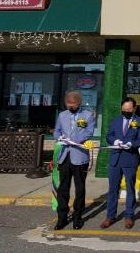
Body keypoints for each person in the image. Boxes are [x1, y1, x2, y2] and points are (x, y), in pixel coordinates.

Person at [100, 97, 140, 229]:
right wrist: (114, 141)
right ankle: (110, 216)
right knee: (112, 189)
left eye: (129, 109)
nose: (126, 111)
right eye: (124, 109)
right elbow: (109, 135)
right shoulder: (116, 121)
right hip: (115, 159)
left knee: (130, 189)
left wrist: (131, 144)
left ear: (134, 108)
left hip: (130, 158)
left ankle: (129, 216)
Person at [53, 90, 96, 230]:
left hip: (80, 157)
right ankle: (62, 217)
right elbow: (56, 131)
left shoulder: (88, 115)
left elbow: (89, 132)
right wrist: (60, 138)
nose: (70, 106)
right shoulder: (62, 115)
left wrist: (73, 140)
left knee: (80, 188)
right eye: (68, 104)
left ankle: (78, 217)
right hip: (65, 156)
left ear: (79, 103)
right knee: (63, 188)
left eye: (73, 104)